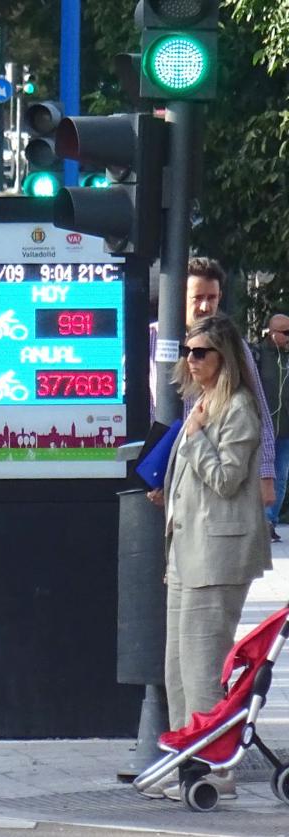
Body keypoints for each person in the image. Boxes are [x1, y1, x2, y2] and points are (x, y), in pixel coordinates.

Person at [145, 314, 271, 801]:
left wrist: (195, 437)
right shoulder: (201, 403)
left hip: (217, 556)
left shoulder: (237, 408)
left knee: (201, 670)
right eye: (188, 352)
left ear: (225, 359)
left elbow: (226, 479)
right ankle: (184, 762)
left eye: (201, 353)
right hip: (184, 551)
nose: (191, 361)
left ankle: (216, 770)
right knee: (176, 668)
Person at [148, 258, 277, 527]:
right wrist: (152, 473)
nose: (206, 306)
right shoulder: (150, 341)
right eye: (197, 298)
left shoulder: (235, 348)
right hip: (164, 474)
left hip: (216, 474)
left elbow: (258, 410)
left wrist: (266, 475)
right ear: (178, 297)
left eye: (212, 297)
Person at [250, 312, 289, 541]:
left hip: (285, 430)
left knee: (281, 477)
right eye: (285, 333)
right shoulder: (257, 355)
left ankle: (268, 522)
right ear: (271, 333)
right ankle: (258, 520)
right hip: (261, 428)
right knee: (261, 474)